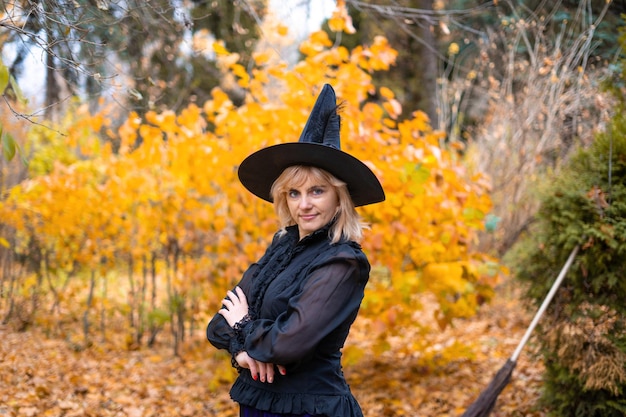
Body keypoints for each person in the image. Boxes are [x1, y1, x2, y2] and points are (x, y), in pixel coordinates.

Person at [206, 84, 385, 417]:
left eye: (316, 191)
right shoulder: (280, 250)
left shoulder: (343, 261)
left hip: (312, 409)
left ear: (338, 197)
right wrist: (243, 354)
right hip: (257, 405)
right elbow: (218, 323)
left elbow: (288, 343)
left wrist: (245, 327)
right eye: (294, 193)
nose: (304, 205)